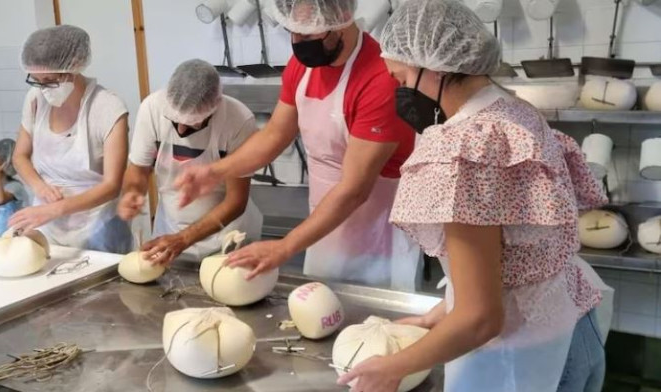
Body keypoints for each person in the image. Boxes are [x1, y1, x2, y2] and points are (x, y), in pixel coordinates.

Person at [335, 0, 608, 391]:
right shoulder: (514, 112)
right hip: (574, 327)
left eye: (398, 79)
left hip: (526, 356)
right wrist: (441, 312)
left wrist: (395, 365)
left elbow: (481, 318)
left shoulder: (459, 149)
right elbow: (512, 256)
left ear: (435, 68)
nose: (397, 92)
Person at [174, 0, 420, 289]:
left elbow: (355, 190)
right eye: (293, 31)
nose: (297, 42)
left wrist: (285, 246)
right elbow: (275, 134)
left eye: (307, 34)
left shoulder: (380, 77)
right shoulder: (302, 67)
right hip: (324, 224)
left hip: (378, 233)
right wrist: (214, 172)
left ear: (341, 18)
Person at [117, 59, 262, 264]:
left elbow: (235, 201)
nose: (182, 131)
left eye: (193, 124)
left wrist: (185, 238)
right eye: (175, 121)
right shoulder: (152, 108)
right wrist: (133, 190)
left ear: (214, 108)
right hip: (169, 230)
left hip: (226, 237)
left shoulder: (238, 120)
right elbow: (138, 169)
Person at [11, 25, 132, 253]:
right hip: (47, 222)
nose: (43, 88)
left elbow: (112, 186)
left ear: (75, 65)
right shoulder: (35, 100)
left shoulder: (108, 108)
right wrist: (40, 187)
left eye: (49, 80)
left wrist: (57, 209)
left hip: (98, 226)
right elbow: (20, 156)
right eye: (36, 80)